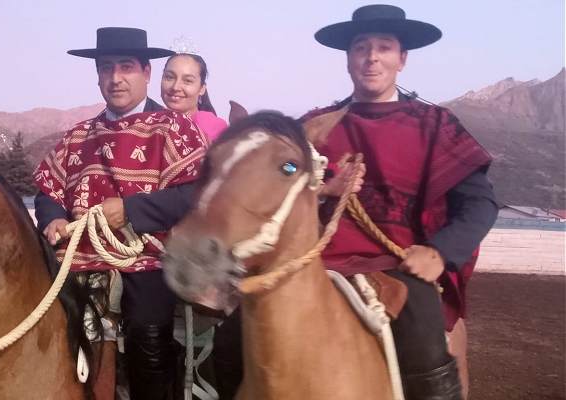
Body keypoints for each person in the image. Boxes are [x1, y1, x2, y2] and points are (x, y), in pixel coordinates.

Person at [211, 5, 498, 400]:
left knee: (424, 344)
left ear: (402, 59)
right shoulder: (314, 125)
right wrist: (324, 189)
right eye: (361, 47)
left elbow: (480, 205)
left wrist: (438, 253)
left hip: (396, 267)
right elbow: (276, 192)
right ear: (348, 59)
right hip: (311, 265)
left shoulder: (436, 124)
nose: (372, 57)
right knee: (226, 347)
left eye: (384, 47)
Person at [32, 27, 208, 400]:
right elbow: (48, 190)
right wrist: (52, 218)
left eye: (125, 67)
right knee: (40, 319)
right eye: (106, 68)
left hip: (148, 254)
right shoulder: (78, 135)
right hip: (76, 255)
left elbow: (197, 191)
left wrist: (130, 209)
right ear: (97, 75)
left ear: (145, 73)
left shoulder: (174, 128)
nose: (115, 78)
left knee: (146, 331)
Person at [161, 38, 227, 141]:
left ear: (202, 88)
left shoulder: (210, 127)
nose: (175, 87)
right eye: (169, 77)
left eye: (187, 80)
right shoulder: (151, 119)